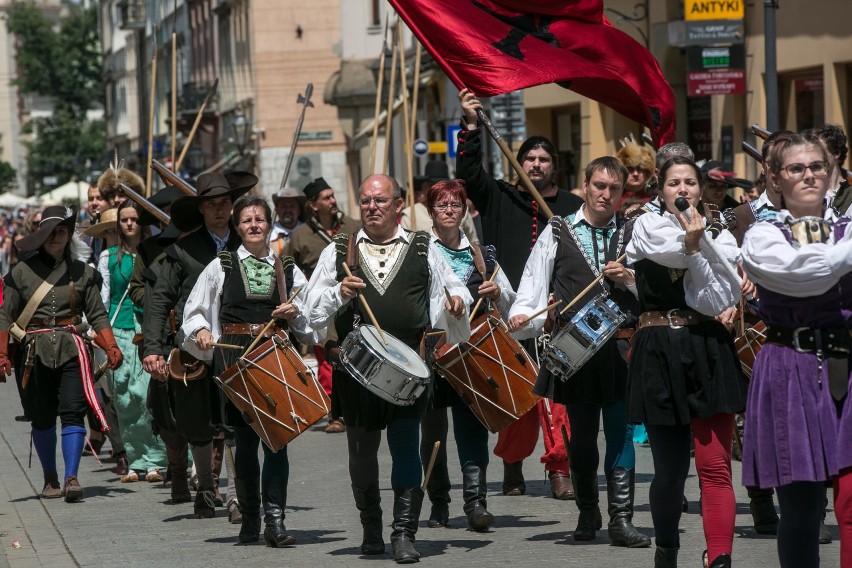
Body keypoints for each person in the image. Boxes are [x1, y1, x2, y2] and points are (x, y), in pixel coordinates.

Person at [305, 174, 470, 563]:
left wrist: (457, 303)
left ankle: (403, 533)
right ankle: (371, 529)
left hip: (407, 369)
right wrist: (338, 293)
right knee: (361, 454)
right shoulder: (339, 250)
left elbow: (452, 287)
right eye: (365, 201)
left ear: (399, 205)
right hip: (356, 370)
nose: (371, 207)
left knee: (405, 448)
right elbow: (311, 310)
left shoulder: (422, 246)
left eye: (380, 200)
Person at [509, 156, 650, 548]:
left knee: (621, 434)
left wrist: (631, 279)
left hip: (622, 348)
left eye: (614, 189)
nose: (606, 195)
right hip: (576, 351)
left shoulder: (635, 234)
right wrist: (523, 316)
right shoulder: (558, 231)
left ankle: (621, 521)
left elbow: (653, 292)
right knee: (584, 438)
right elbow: (533, 286)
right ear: (584, 186)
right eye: (599, 186)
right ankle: (589, 515)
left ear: (622, 194)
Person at [457, 88, 582, 499]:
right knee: (517, 389)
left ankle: (560, 467)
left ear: (554, 166)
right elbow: (468, 174)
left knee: (558, 396)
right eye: (530, 158)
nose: (536, 164)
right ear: (521, 162)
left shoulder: (568, 207)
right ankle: (512, 465)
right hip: (509, 312)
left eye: (544, 159)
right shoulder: (500, 196)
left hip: (557, 312)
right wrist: (472, 126)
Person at [626, 156, 747, 568]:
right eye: (674, 182)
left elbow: (717, 299)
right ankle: (667, 548)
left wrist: (703, 245)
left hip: (707, 348)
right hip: (660, 350)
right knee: (671, 472)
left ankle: (720, 558)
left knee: (715, 467)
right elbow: (670, 255)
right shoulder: (646, 225)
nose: (683, 189)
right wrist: (695, 247)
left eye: (690, 183)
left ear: (700, 189)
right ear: (660, 191)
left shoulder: (721, 236)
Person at [741, 132, 852, 568]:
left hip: (848, 365)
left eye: (817, 166)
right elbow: (805, 275)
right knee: (803, 509)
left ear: (832, 172)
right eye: (796, 168)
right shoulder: (762, 236)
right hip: (791, 369)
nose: (809, 175)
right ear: (775, 177)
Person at [182, 194, 314, 547]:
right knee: (244, 443)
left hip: (275, 354)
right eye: (246, 220)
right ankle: (250, 519)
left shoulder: (286, 268)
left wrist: (294, 312)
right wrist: (203, 331)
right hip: (236, 357)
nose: (254, 225)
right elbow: (195, 309)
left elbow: (309, 313)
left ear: (269, 225)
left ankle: (275, 520)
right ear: (237, 227)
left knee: (278, 441)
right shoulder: (221, 265)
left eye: (260, 219)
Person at [142, 171, 257, 518]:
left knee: (239, 425)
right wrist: (152, 348)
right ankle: (206, 489)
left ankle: (238, 497)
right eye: (212, 205)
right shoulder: (182, 250)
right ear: (202, 210)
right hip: (195, 350)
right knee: (199, 426)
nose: (220, 210)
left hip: (239, 349)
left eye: (225, 203)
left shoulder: (248, 246)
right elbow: (159, 300)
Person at [0, 205, 123, 501]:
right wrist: (3, 355)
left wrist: (111, 346)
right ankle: (50, 479)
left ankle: (71, 477)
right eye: (51, 232)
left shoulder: (84, 273)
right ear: (41, 236)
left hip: (73, 352)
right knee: (41, 418)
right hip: (31, 354)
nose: (56, 237)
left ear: (69, 236)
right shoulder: (21, 272)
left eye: (62, 232)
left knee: (72, 413)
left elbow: (97, 314)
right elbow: (4, 317)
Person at [420, 179, 514, 531]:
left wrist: (495, 293)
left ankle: (476, 504)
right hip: (433, 350)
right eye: (441, 205)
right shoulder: (419, 250)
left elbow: (511, 302)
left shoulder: (482, 254)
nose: (448, 210)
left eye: (455, 205)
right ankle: (439, 504)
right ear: (430, 211)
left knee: (471, 426)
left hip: (473, 353)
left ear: (464, 210)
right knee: (433, 430)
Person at [97, 200, 167, 483]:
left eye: (134, 219)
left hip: (147, 329)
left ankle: (157, 461)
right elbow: (103, 296)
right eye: (124, 220)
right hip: (119, 330)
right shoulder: (108, 257)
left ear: (142, 223)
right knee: (124, 397)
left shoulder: (154, 253)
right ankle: (136, 460)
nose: (129, 224)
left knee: (147, 395)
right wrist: (97, 331)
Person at [286, 177, 361, 433]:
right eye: (326, 198)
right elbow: (287, 268)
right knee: (329, 355)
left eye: (332, 195)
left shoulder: (353, 226)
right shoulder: (300, 235)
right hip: (320, 302)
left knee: (354, 354)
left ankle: (356, 407)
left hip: (352, 300)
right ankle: (334, 413)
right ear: (313, 205)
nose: (332, 200)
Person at [400, 160, 479, 243]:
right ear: (425, 188)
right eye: (433, 186)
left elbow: (473, 243)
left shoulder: (461, 211)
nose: (439, 191)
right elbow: (404, 247)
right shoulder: (410, 214)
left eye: (443, 186)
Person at [615, 140, 655, 207]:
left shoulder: (655, 200)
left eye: (640, 169)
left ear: (647, 172)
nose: (635, 174)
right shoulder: (612, 200)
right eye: (630, 169)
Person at [269, 187, 304, 257]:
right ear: (276, 210)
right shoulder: (268, 234)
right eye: (283, 206)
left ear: (299, 210)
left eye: (292, 206)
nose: (288, 210)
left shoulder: (307, 232)